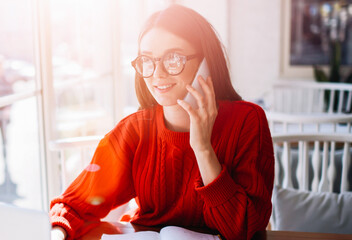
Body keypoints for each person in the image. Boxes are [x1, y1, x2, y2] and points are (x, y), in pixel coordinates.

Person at [50, 4, 274, 240]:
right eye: (147, 59)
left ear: (205, 62)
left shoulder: (248, 120)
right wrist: (56, 234)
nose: (157, 73)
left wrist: (203, 149)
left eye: (173, 58)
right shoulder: (134, 131)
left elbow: (245, 229)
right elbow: (72, 206)